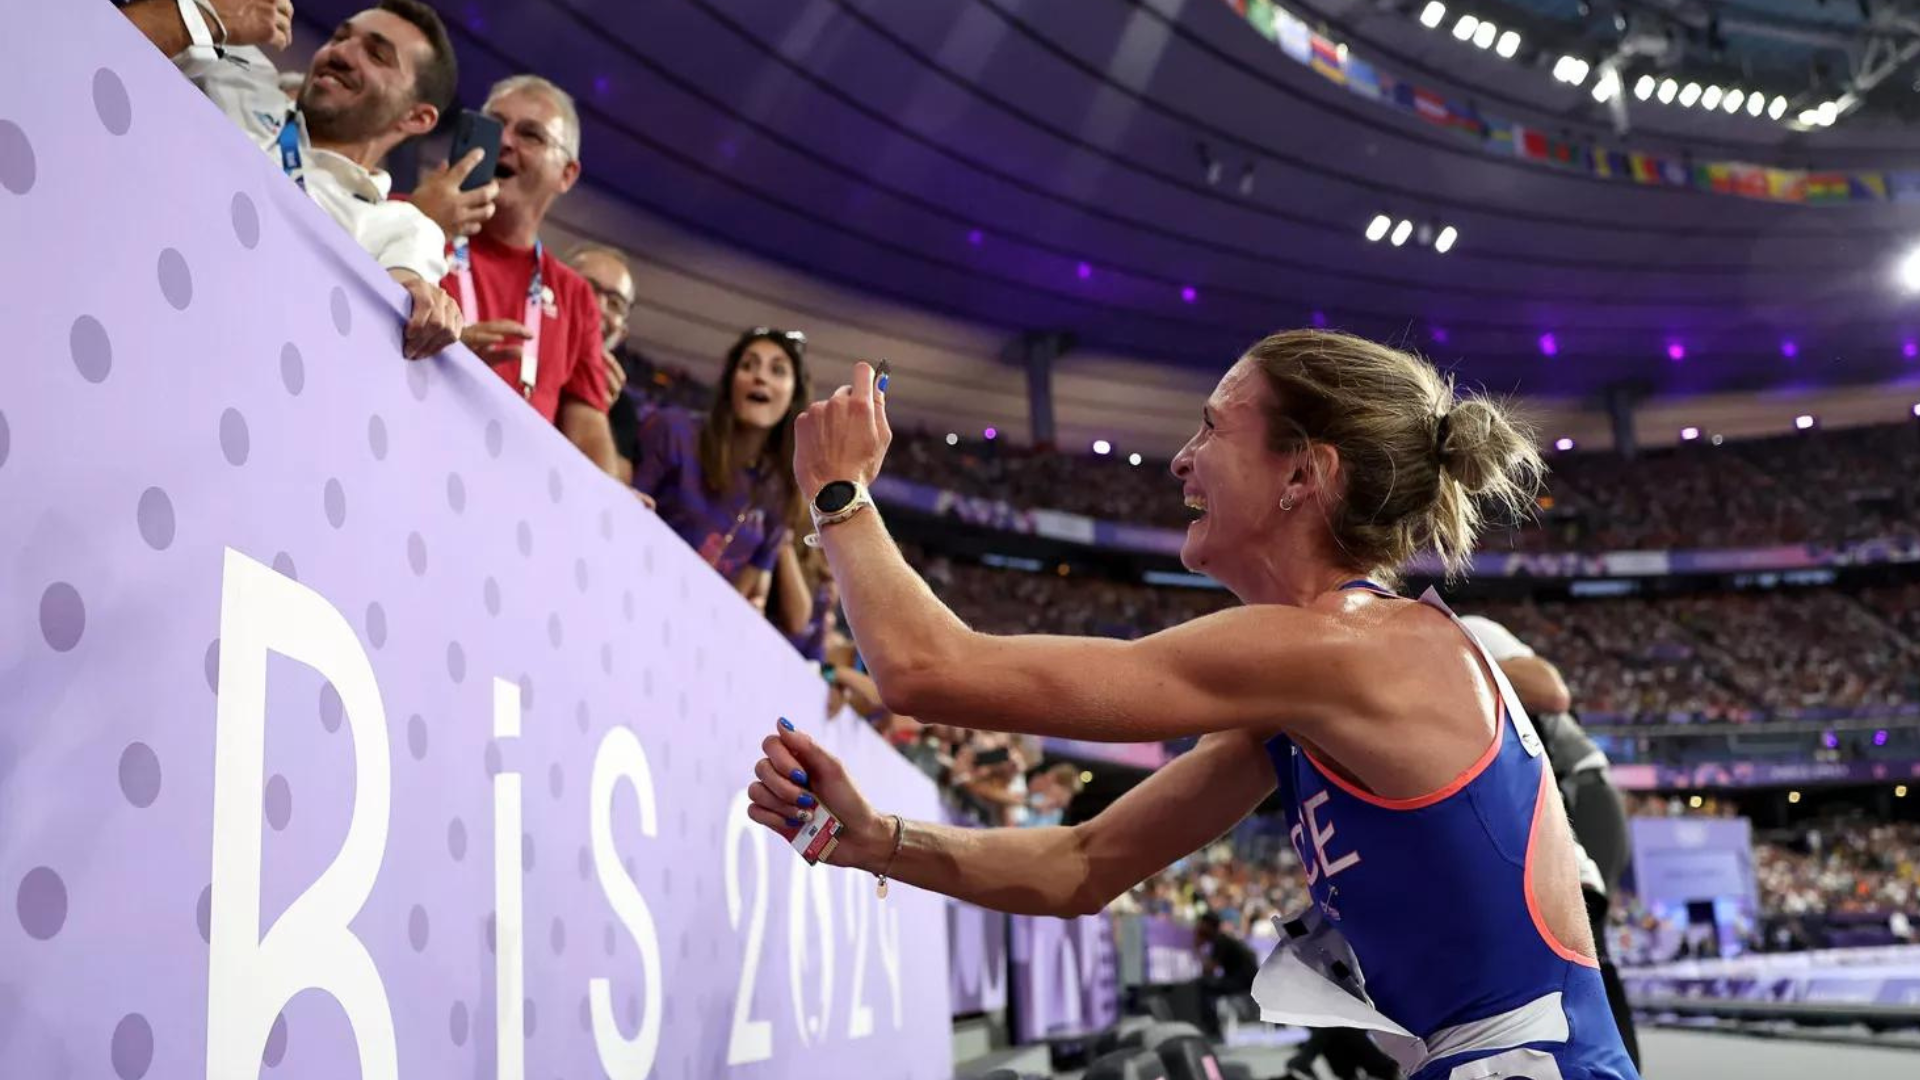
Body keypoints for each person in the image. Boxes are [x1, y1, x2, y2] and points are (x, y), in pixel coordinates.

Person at [745, 330, 1639, 1080]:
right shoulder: (1324, 672)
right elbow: (1082, 865)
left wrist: (838, 494)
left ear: (1303, 475)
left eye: (1211, 427)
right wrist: (876, 841)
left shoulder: (1346, 649)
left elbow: (925, 670)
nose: (1181, 459)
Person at [126, 0, 463, 359]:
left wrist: (427, 305)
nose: (342, 53)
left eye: (376, 55)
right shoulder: (235, 69)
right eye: (340, 37)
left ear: (417, 117)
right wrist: (201, 15)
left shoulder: (402, 228)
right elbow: (84, 45)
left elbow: (392, 322)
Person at [408, 76, 618, 476]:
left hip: (507, 497)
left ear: (567, 175)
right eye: (494, 124)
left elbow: (588, 430)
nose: (504, 141)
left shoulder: (574, 296)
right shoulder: (410, 219)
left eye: (531, 135)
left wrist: (613, 506)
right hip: (403, 451)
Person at [1459, 614, 1641, 1069]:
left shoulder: (1464, 629)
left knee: (1583, 937)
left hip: (1578, 789)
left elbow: (1552, 692)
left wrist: (1449, 657)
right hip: (1523, 798)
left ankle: (1616, 1063)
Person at [630, 328, 810, 605]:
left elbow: (743, 596)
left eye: (778, 370)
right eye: (748, 366)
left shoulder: (782, 491)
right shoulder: (674, 431)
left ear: (793, 396)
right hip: (633, 591)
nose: (760, 377)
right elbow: (625, 505)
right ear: (730, 383)